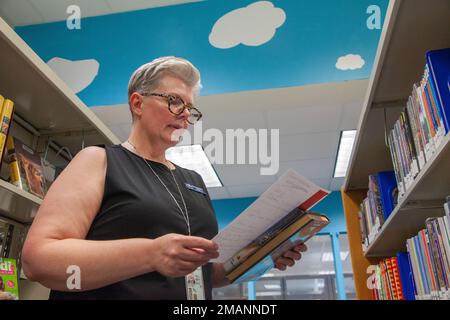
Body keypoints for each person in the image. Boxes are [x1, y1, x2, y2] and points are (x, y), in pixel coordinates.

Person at [21, 56, 307, 299]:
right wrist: (150, 253)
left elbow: (206, 273)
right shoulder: (99, 160)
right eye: (174, 102)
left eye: (190, 109)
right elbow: (39, 259)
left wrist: (264, 256)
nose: (184, 115)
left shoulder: (193, 179)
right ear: (137, 104)